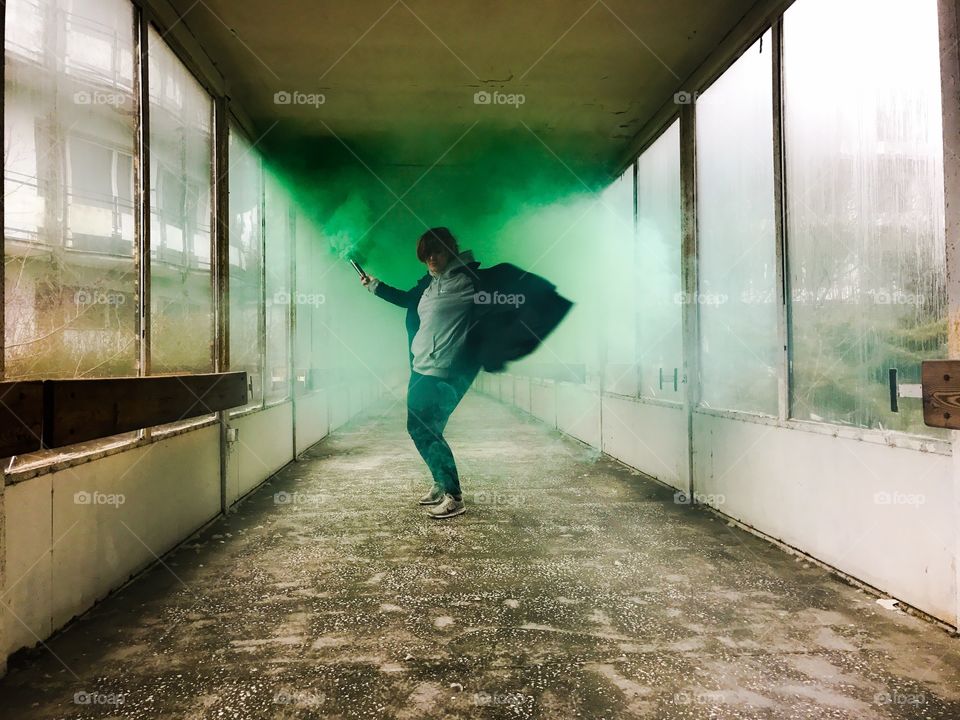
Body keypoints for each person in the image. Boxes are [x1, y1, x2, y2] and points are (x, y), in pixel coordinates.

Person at [361, 227, 572, 520]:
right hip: (420, 366)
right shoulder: (429, 285)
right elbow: (407, 300)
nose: (431, 259)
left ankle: (454, 496)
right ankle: (440, 481)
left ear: (450, 250)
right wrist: (374, 285)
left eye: (436, 252)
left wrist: (497, 343)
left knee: (423, 428)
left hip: (448, 369)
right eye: (426, 255)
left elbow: (505, 304)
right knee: (425, 428)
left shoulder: (471, 282)